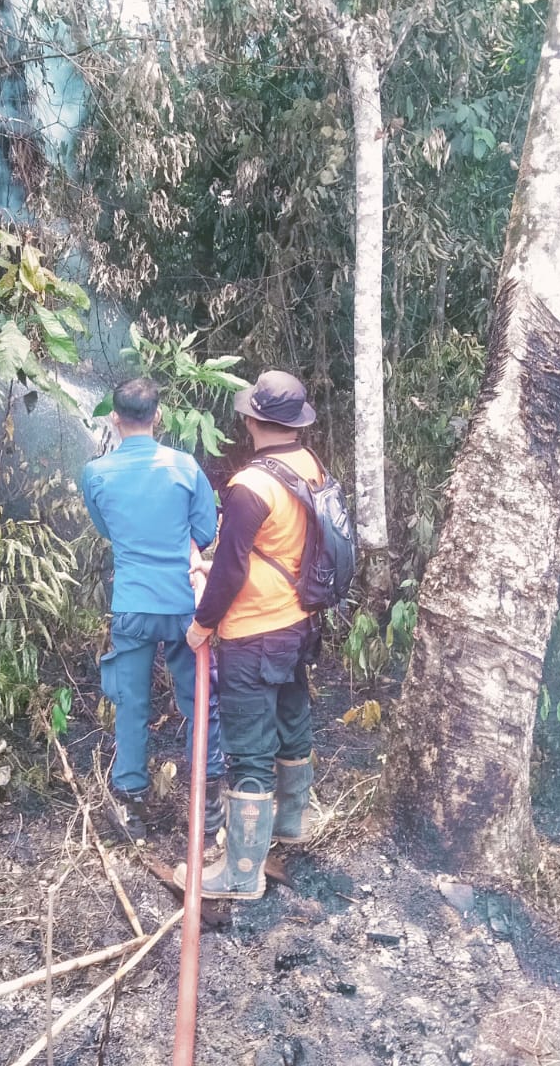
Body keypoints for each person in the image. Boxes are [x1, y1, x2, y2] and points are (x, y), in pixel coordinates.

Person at [177, 370, 322, 900]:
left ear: (253, 420)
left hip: (254, 630)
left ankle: (240, 871)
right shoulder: (310, 467)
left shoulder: (250, 486)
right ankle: (290, 824)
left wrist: (201, 626)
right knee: (291, 719)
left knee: (249, 750)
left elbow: (231, 571)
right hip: (297, 624)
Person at [82, 377, 225, 844]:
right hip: (185, 606)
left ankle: (130, 803)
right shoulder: (185, 467)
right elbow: (205, 530)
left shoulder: (96, 474)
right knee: (199, 700)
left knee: (131, 702)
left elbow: (107, 530)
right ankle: (205, 803)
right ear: (158, 416)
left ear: (114, 418)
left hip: (132, 605)